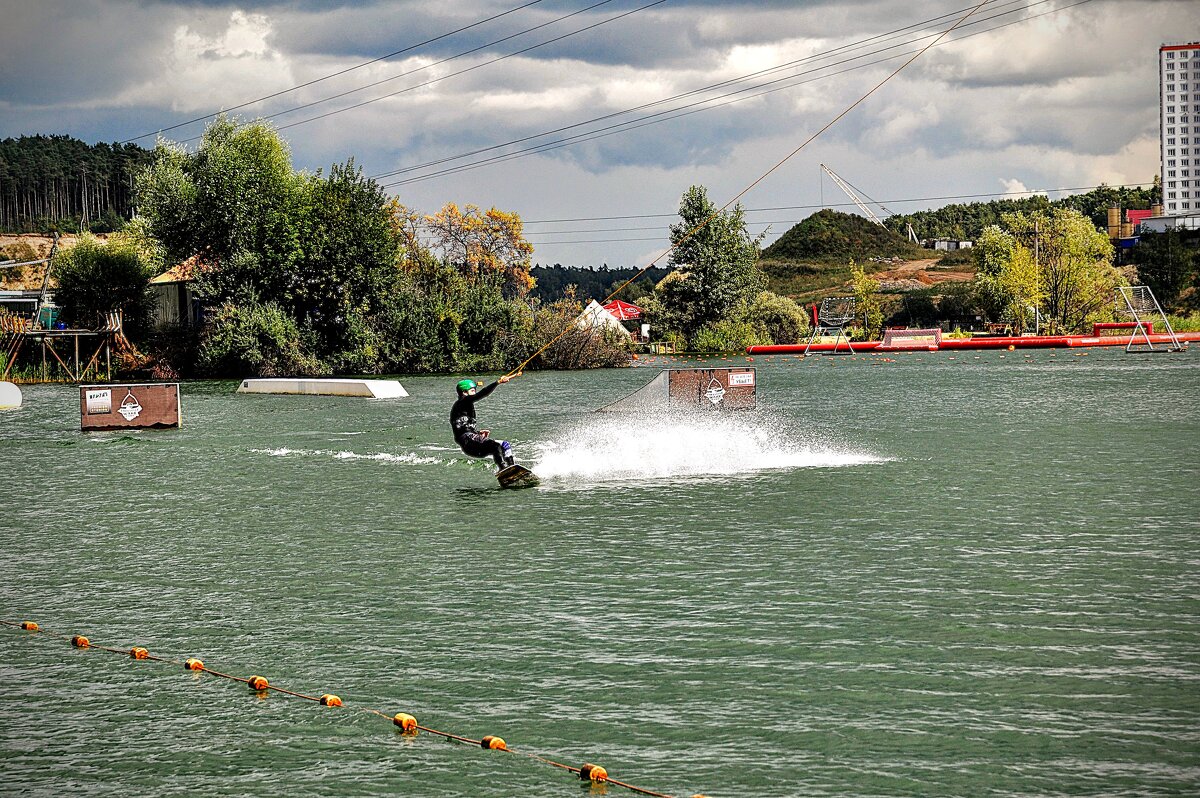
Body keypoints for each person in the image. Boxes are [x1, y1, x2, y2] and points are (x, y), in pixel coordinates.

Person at [450, 374, 516, 469]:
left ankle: (513, 468)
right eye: (472, 391)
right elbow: (483, 393)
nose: (475, 393)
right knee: (496, 446)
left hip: (472, 442)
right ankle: (504, 469)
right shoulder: (462, 402)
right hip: (468, 443)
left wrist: (477, 433)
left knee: (505, 445)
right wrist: (498, 382)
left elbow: (463, 426)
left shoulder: (466, 406)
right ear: (464, 392)